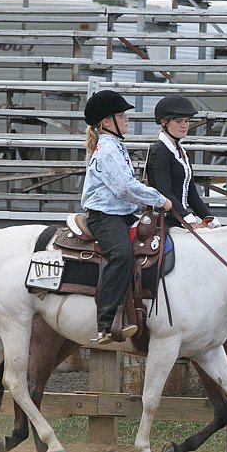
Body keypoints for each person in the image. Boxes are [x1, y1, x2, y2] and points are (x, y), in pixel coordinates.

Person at [82, 89, 172, 345]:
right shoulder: (108, 151)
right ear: (107, 122)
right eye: (121, 115)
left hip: (121, 214)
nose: (127, 120)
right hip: (105, 217)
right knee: (121, 254)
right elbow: (124, 188)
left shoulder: (116, 146)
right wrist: (159, 199)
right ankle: (107, 323)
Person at [146, 94, 220, 230]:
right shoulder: (160, 151)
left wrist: (209, 218)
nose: (184, 125)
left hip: (179, 219)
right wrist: (187, 219)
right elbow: (164, 192)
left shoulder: (181, 151)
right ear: (164, 122)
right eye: (178, 121)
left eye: (186, 121)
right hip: (165, 221)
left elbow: (192, 194)